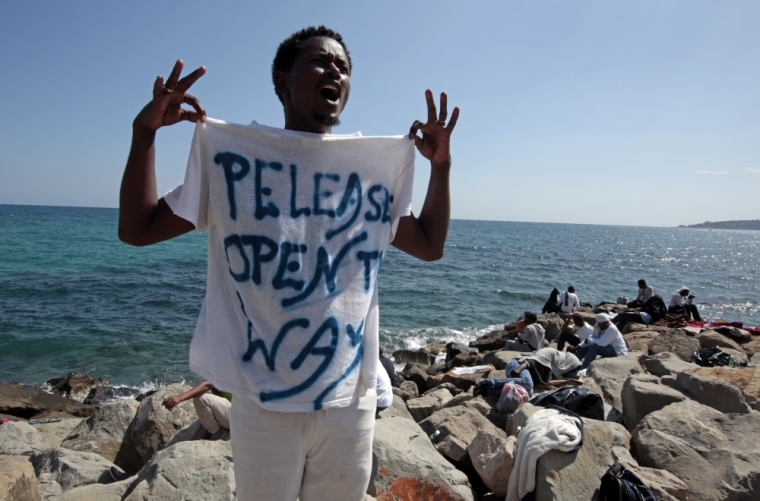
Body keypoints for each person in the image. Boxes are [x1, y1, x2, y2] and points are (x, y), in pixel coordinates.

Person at [117, 26, 459, 501]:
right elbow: (137, 229)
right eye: (321, 61)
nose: (335, 71)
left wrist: (439, 168)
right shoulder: (232, 157)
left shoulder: (369, 168)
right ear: (282, 80)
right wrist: (145, 133)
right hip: (262, 404)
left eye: (343, 66)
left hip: (350, 405)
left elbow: (427, 244)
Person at [476, 348, 581, 397]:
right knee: (528, 383)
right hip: (517, 364)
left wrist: (568, 380)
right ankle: (487, 382)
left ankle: (486, 391)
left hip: (521, 376)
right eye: (572, 367)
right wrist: (519, 369)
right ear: (568, 363)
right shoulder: (551, 353)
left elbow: (546, 383)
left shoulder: (554, 369)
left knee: (528, 393)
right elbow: (531, 360)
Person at [162, 380, 231, 440]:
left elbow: (208, 384)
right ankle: (216, 431)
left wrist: (179, 398)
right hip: (228, 414)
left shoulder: (235, 367)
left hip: (237, 417)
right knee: (181, 437)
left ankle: (219, 433)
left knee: (201, 399)